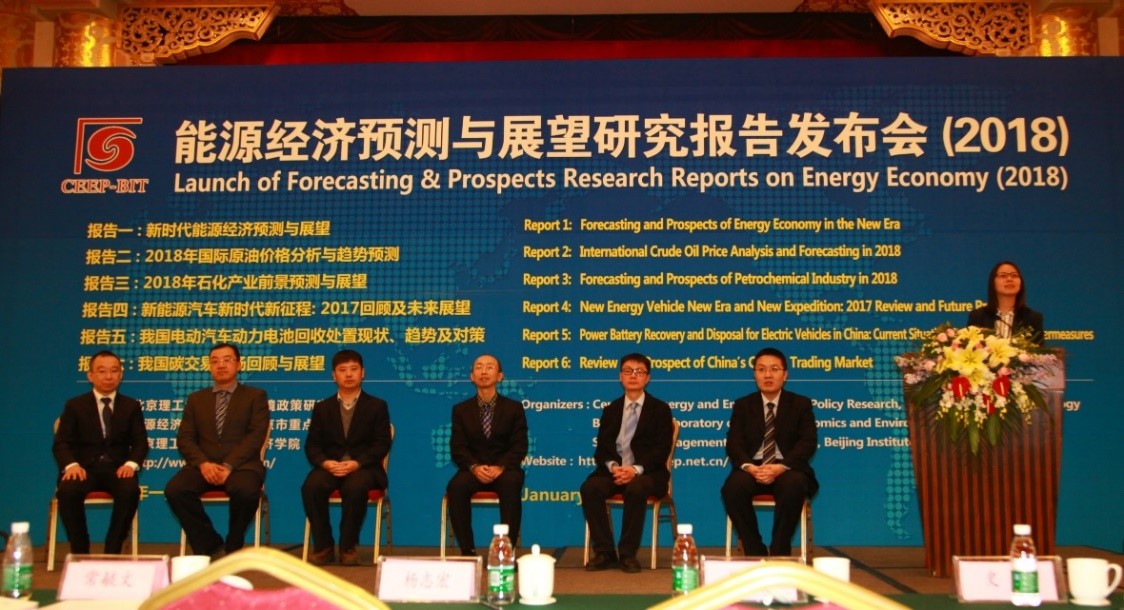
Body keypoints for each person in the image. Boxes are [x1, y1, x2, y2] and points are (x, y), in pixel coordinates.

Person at [165, 343, 270, 558]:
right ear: (210, 367)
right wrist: (203, 464)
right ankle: (211, 546)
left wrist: (229, 465)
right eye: (215, 361)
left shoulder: (255, 396)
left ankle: (233, 544)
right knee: (175, 490)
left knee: (247, 491)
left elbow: (255, 436)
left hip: (242, 466)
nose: (221, 365)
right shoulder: (196, 399)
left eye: (227, 360)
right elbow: (185, 438)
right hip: (203, 465)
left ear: (238, 365)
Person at [581, 353, 674, 573]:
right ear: (620, 377)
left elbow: (661, 450)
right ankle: (605, 552)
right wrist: (614, 467)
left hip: (648, 474)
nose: (633, 375)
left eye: (639, 371)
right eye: (627, 371)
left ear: (647, 378)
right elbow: (602, 449)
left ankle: (627, 553)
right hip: (614, 472)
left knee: (636, 487)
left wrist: (634, 470)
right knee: (590, 488)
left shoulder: (660, 409)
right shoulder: (611, 410)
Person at [722, 347, 818, 557]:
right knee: (733, 487)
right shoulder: (743, 405)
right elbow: (734, 443)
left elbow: (807, 443)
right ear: (754, 374)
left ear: (785, 375)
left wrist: (781, 467)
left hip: (788, 467)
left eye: (774, 369)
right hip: (753, 468)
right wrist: (749, 467)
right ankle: (754, 549)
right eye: (761, 369)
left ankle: (779, 550)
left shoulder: (800, 404)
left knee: (793, 484)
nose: (768, 375)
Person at [52, 350, 148, 555]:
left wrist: (130, 465)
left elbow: (141, 442)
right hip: (83, 469)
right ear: (90, 375)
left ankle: (112, 552)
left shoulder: (131, 406)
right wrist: (71, 465)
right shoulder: (75, 405)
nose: (108, 376)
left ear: (121, 375)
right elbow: (61, 443)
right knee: (68, 492)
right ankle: (80, 553)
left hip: (118, 469)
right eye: (102, 371)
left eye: (114, 371)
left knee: (130, 491)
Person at [301, 349, 392, 566]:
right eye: (342, 370)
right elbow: (312, 445)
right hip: (331, 467)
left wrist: (357, 463)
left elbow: (381, 444)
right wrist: (325, 463)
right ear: (334, 376)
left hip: (364, 468)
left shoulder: (377, 406)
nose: (348, 374)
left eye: (353, 369)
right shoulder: (322, 408)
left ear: (363, 373)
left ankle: (347, 546)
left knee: (355, 487)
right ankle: (323, 546)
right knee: (311, 486)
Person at [446, 354, 528, 556]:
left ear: (500, 376)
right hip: (473, 470)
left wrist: (500, 466)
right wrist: (474, 467)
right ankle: (468, 552)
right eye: (479, 367)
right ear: (471, 376)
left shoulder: (514, 408)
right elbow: (457, 447)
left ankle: (506, 552)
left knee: (511, 484)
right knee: (456, 487)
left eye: (490, 367)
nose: (484, 371)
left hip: (505, 469)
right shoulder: (461, 410)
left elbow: (519, 446)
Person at [967, 260, 1044, 344]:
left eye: (1014, 275)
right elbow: (970, 347)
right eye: (1003, 275)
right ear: (993, 282)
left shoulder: (1033, 318)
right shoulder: (978, 316)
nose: (1009, 279)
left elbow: (1038, 350)